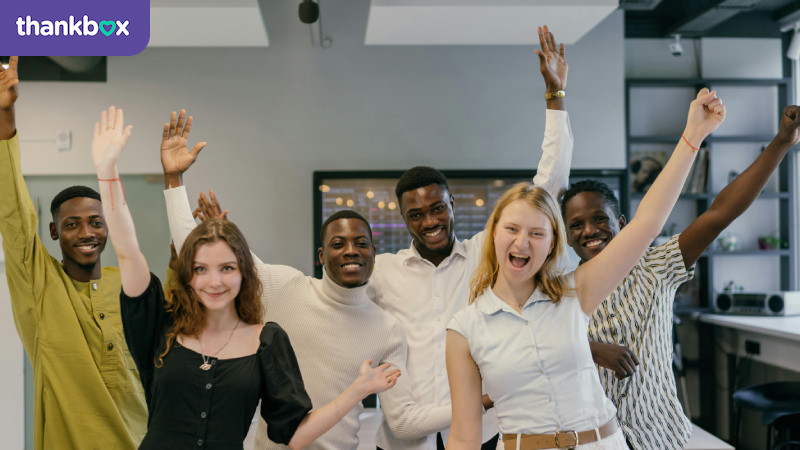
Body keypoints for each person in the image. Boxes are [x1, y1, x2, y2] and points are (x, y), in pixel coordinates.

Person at [89, 105, 400, 449]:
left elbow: (294, 436)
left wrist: (358, 390)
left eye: (227, 268)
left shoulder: (266, 341)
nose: (215, 281)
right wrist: (107, 171)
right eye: (201, 270)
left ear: (244, 274)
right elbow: (128, 250)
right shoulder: (161, 326)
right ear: (188, 275)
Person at [445, 88, 725, 450]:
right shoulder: (465, 329)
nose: (522, 242)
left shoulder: (576, 292)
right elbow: (464, 436)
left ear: (550, 246)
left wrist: (693, 136)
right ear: (493, 235)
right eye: (512, 229)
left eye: (536, 233)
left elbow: (647, 224)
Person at [367, 25, 572, 450]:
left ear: (452, 206)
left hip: (484, 431)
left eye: (437, 208)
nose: (430, 221)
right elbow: (331, 306)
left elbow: (547, 187)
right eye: (416, 215)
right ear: (404, 220)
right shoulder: (383, 272)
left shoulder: (486, 253)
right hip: (407, 440)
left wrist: (556, 99)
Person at [561, 105, 800, 449]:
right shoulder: (562, 291)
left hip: (659, 436)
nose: (590, 231)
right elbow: (539, 348)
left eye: (600, 219)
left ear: (623, 224)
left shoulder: (655, 265)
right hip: (595, 441)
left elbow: (719, 214)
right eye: (576, 225)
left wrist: (781, 142)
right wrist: (592, 349)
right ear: (568, 238)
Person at [0, 57, 147, 449]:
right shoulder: (41, 287)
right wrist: (6, 117)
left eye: (96, 222)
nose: (86, 233)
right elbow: (14, 216)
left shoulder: (130, 287)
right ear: (54, 232)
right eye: (71, 224)